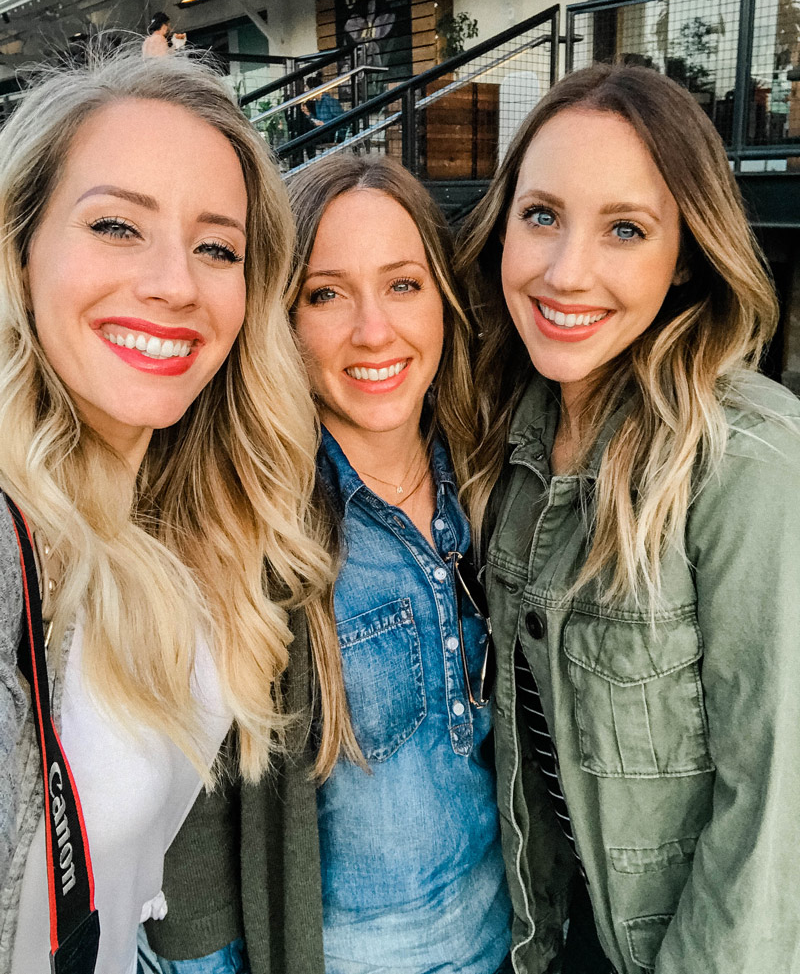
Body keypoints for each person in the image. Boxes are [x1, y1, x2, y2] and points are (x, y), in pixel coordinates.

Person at [456, 62, 800, 973]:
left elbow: (775, 818)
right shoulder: (505, 429)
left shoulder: (748, 461)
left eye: (625, 229)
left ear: (684, 254)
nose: (567, 272)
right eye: (542, 216)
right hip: (545, 937)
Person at [0, 48, 338, 974]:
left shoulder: (197, 516)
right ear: (21, 246)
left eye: (217, 247)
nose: (175, 283)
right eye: (117, 226)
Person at [145, 153, 514, 974]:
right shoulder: (246, 522)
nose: (373, 330)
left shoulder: (494, 479)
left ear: (445, 300)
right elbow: (193, 838)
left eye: (403, 284)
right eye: (326, 294)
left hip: (511, 938)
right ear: (281, 316)